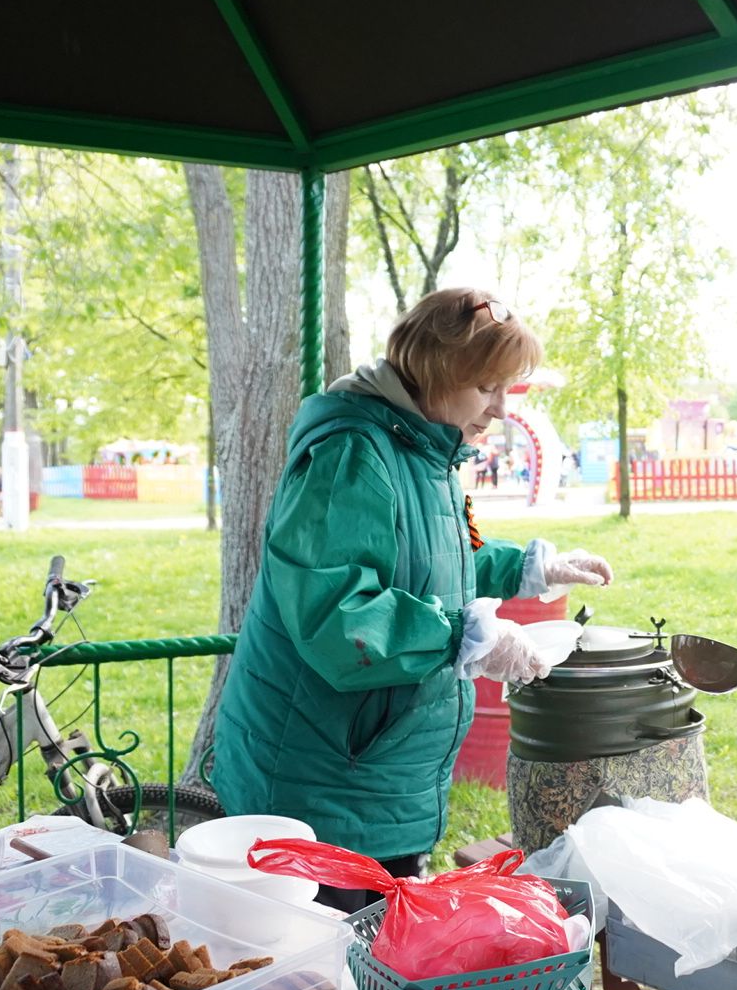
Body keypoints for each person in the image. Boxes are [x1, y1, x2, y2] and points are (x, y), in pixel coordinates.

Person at [212, 288, 614, 914]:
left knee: (381, 947)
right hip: (320, 780)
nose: (500, 409)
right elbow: (338, 616)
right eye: (486, 388)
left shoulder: (426, 451)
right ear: (436, 371)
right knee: (333, 952)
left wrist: (528, 568)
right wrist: (464, 636)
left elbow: (432, 561)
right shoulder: (350, 455)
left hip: (379, 775)